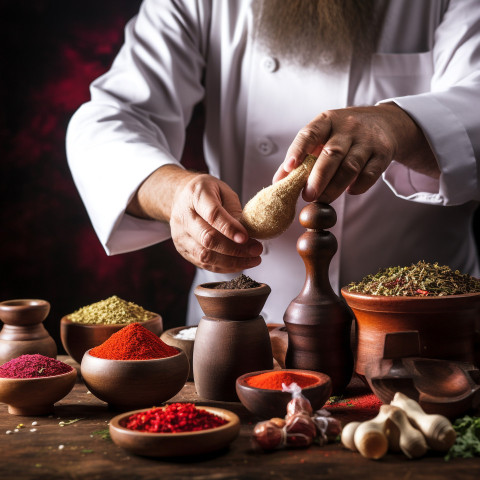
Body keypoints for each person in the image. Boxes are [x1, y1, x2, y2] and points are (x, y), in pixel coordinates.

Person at [66, 0, 480, 326]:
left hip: (422, 322)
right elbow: (110, 118)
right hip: (242, 328)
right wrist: (173, 192)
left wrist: (400, 124)